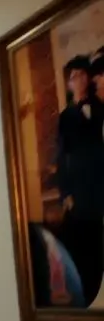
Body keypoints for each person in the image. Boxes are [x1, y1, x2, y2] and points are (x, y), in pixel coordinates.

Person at [55, 55, 104, 304]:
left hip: (100, 185)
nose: (80, 79)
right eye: (74, 76)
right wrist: (66, 194)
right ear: (69, 84)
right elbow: (61, 157)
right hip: (78, 190)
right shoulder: (65, 117)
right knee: (80, 245)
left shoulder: (101, 107)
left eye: (83, 74)